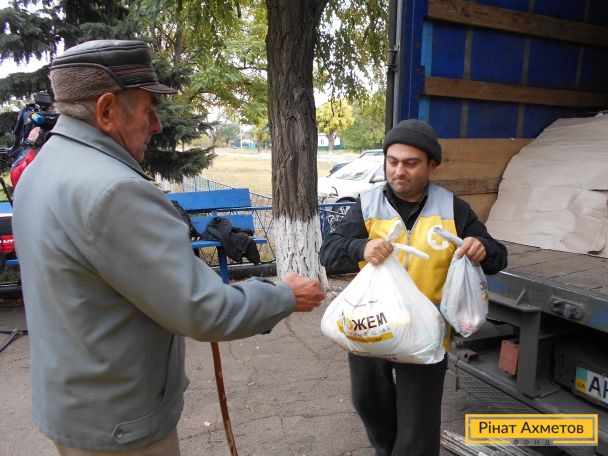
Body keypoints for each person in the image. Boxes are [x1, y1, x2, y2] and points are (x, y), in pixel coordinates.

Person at [12, 40, 325, 456]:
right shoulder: (115, 190)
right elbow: (204, 310)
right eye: (148, 110)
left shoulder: (41, 169)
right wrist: (284, 295)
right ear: (106, 110)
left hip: (72, 409)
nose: (157, 125)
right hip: (121, 427)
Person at [319, 119, 507, 456]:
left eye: (410, 163)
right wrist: (361, 247)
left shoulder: (453, 209)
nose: (399, 171)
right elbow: (329, 253)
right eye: (392, 161)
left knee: (418, 431)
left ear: (432, 166)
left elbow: (498, 256)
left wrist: (481, 247)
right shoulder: (367, 204)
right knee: (369, 406)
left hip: (426, 333)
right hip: (371, 326)